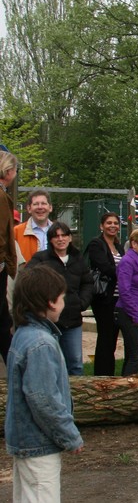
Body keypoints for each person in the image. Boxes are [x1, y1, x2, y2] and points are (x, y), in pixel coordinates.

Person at [2, 266, 83, 503]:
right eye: (62, 297)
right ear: (50, 302)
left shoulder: (23, 335)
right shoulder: (41, 343)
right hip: (39, 443)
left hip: (25, 440)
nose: (64, 303)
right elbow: (44, 399)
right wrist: (69, 435)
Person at [24, 223, 92, 376]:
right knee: (51, 363)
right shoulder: (41, 258)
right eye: (56, 236)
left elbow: (88, 282)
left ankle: (77, 391)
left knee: (75, 364)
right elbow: (27, 279)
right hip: (49, 322)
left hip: (73, 320)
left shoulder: (78, 259)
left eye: (64, 235)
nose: (60, 239)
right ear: (50, 240)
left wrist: (82, 302)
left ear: (70, 238)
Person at [85, 212, 126, 375]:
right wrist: (126, 274)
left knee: (112, 339)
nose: (113, 226)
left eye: (115, 223)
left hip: (118, 299)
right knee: (105, 337)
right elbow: (105, 268)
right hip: (103, 298)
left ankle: (110, 374)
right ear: (101, 226)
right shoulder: (96, 244)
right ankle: (102, 375)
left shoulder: (119, 247)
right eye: (109, 223)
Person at [114, 228, 138, 376]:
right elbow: (124, 290)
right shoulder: (128, 261)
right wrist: (135, 315)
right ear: (134, 244)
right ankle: (128, 383)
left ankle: (125, 383)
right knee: (136, 355)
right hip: (128, 312)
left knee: (131, 354)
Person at [0, 147, 17, 363]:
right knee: (3, 323)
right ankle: (16, 367)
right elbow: (1, 234)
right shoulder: (1, 197)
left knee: (4, 321)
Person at [12, 190, 52, 266]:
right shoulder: (16, 232)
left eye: (43, 203)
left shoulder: (60, 232)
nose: (40, 207)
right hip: (26, 273)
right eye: (36, 204)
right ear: (29, 208)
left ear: (50, 207)